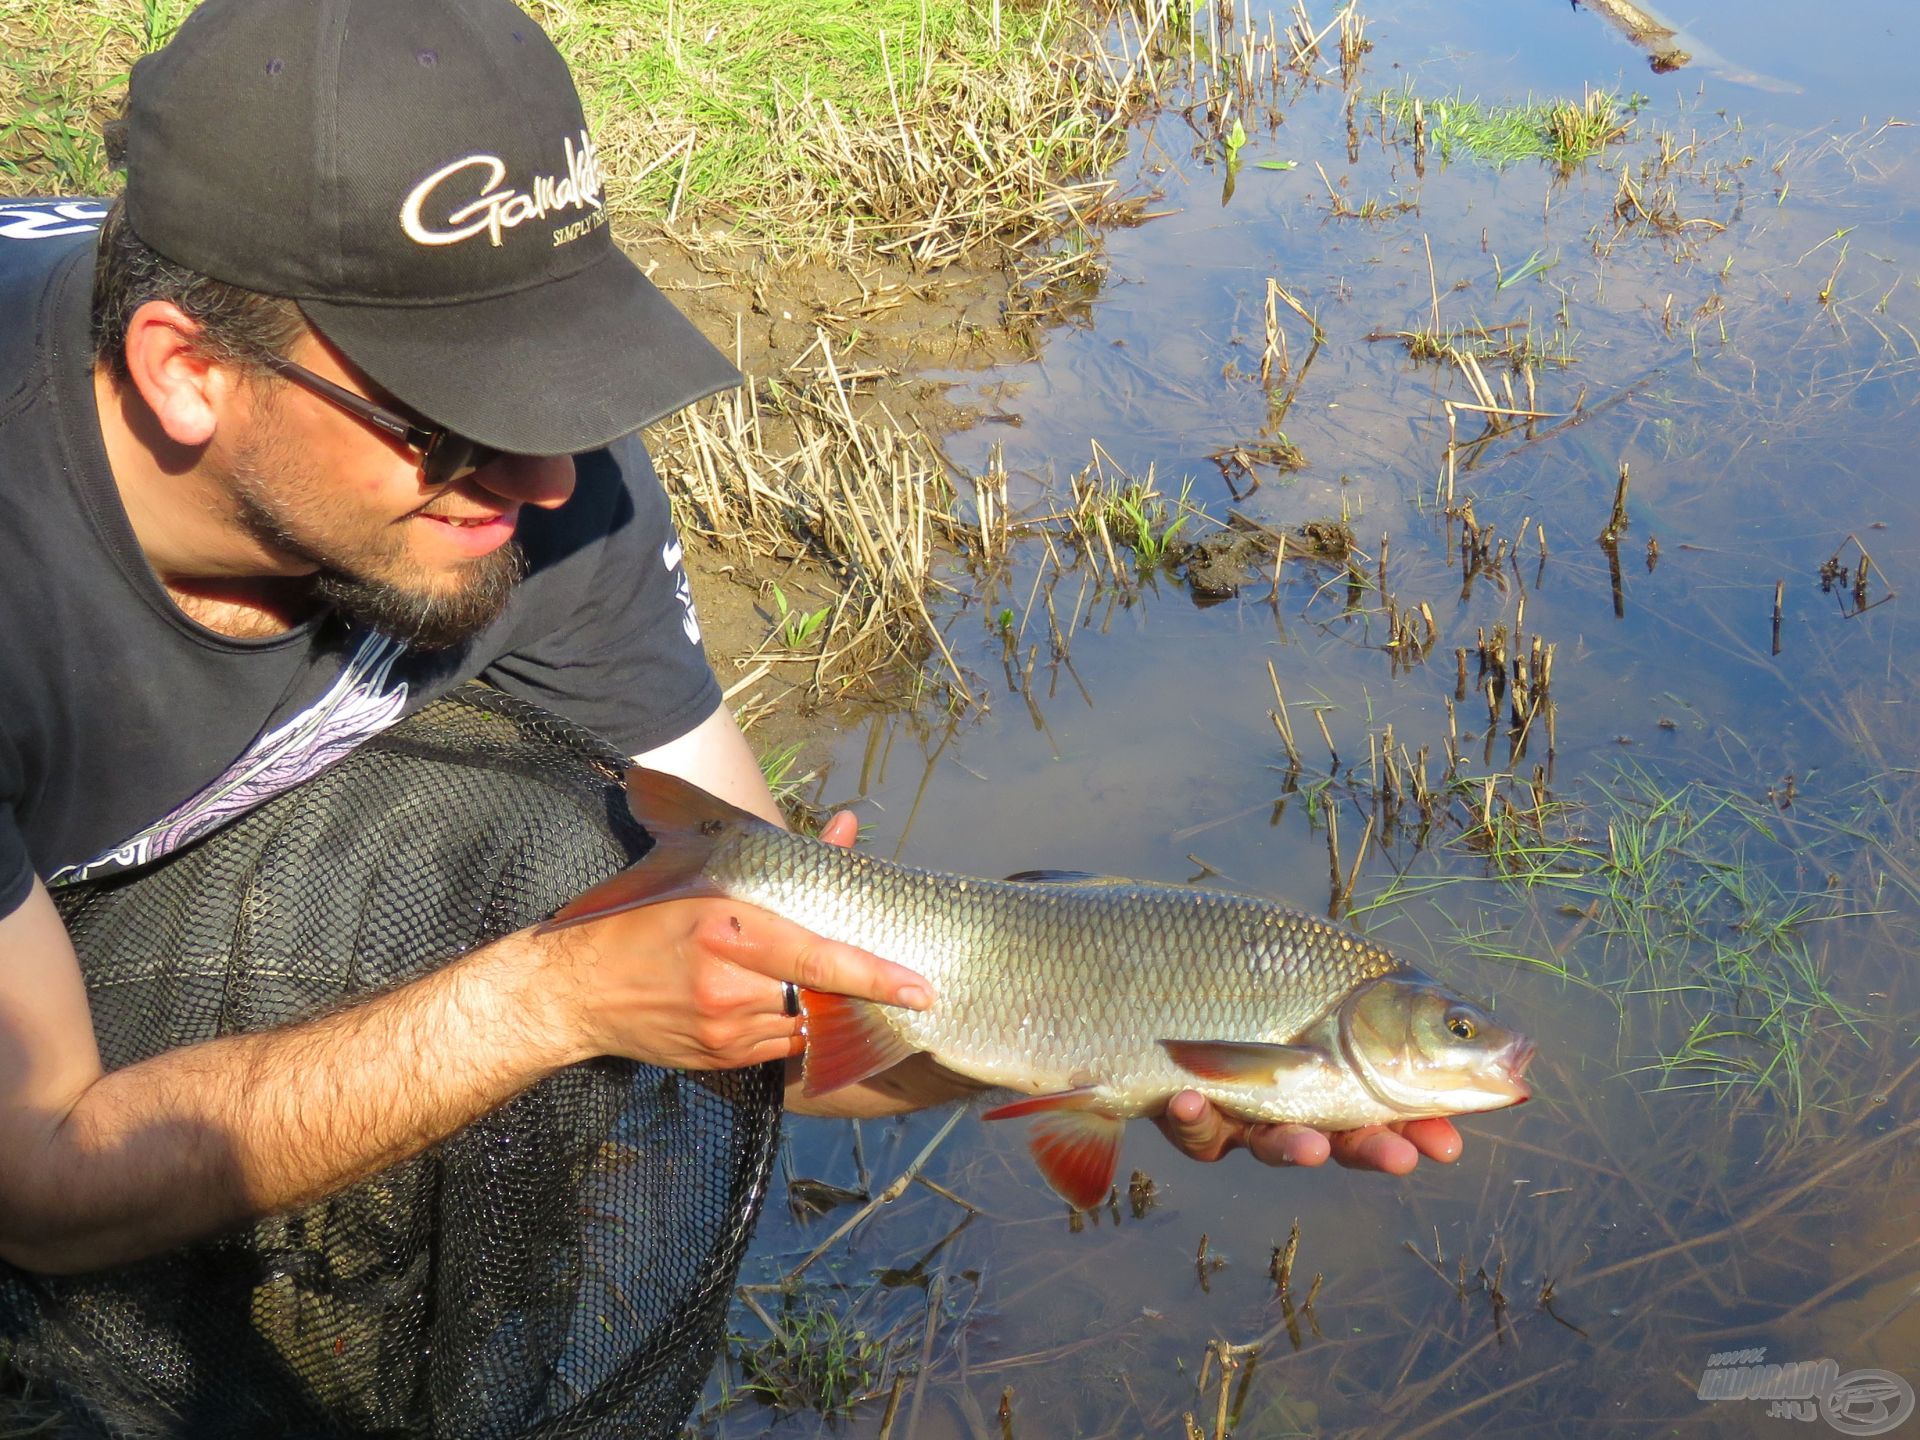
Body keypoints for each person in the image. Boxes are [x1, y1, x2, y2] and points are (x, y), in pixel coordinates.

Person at [0, 0, 1456, 1332]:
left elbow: (760, 950)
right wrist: (543, 998)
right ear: (186, 369)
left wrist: (1101, 1035)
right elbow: (38, 1184)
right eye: (456, 410)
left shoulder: (534, 490)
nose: (553, 476)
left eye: (551, 375)